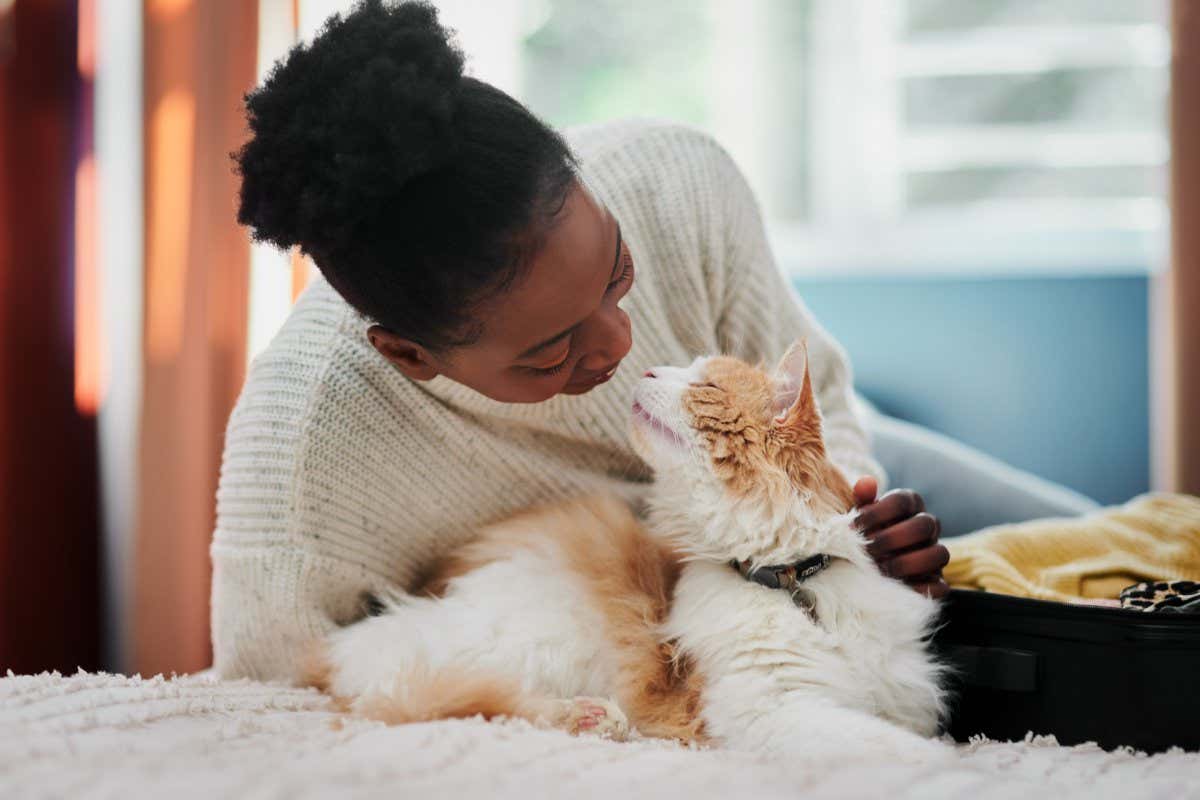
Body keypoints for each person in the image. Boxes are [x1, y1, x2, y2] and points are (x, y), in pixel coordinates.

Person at [214, 0, 1093, 681]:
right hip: (651, 604)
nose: (618, 344)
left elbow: (813, 401)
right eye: (549, 354)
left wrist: (852, 530)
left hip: (817, 492)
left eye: (617, 272)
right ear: (408, 354)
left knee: (1130, 555)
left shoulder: (678, 180)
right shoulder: (301, 463)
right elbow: (275, 704)